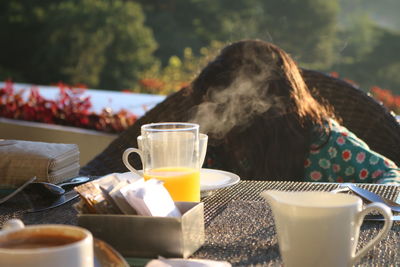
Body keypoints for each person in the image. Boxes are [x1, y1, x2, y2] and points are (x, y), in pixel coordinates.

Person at [81, 39, 400, 185]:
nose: (216, 114)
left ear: (270, 106)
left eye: (225, 104)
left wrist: (346, 201)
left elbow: (392, 178)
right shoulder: (215, 142)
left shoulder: (322, 142)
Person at [187, 39, 400, 184]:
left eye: (225, 110)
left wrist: (357, 210)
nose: (216, 122)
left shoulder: (322, 143)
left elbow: (390, 176)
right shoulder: (218, 147)